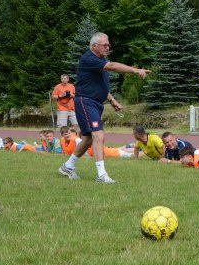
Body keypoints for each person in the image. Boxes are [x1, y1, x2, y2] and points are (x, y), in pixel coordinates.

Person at [58, 32, 150, 183]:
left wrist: (112, 100)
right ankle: (101, 175)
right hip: (86, 101)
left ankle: (68, 166)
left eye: (109, 45)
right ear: (94, 47)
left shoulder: (100, 61)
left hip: (95, 103)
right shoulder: (89, 58)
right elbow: (113, 66)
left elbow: (99, 86)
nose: (108, 48)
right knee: (99, 136)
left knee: (88, 139)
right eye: (104, 45)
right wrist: (135, 70)